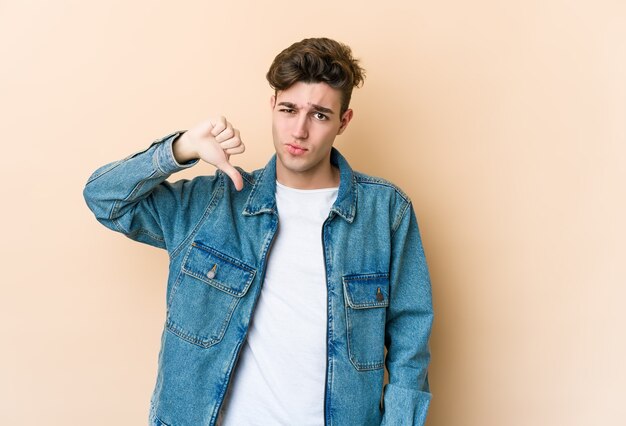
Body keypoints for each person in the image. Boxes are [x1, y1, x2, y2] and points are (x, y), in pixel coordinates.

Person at [83, 37, 433, 426]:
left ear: (343, 121)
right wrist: (180, 148)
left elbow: (410, 341)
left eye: (319, 115)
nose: (299, 130)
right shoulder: (214, 203)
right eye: (288, 109)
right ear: (272, 106)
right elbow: (104, 198)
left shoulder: (385, 212)